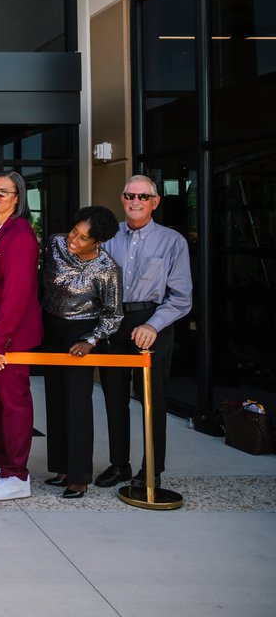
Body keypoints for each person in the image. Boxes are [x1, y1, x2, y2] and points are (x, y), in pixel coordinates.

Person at [96, 175, 193, 490]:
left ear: (155, 201)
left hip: (154, 323)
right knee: (113, 397)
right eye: (130, 195)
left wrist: (153, 324)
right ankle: (119, 465)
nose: (135, 202)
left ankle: (151, 469)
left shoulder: (172, 241)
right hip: (113, 321)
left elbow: (181, 297)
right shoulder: (107, 238)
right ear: (123, 199)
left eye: (142, 196)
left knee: (153, 400)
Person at [0, 171, 44, 502]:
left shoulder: (21, 235)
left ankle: (17, 475)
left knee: (14, 404)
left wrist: (0, 339)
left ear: (18, 197)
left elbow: (16, 294)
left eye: (4, 192)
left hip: (9, 339)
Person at [42, 206, 123, 499]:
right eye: (75, 231)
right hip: (50, 329)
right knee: (54, 399)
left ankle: (78, 477)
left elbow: (114, 315)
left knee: (77, 404)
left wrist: (91, 339)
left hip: (80, 334)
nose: (74, 239)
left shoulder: (107, 268)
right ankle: (61, 467)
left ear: (98, 241)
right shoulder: (54, 243)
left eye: (83, 238)